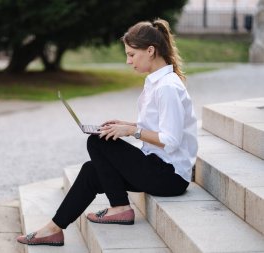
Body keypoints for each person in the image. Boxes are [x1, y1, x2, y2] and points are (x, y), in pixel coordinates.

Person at [17, 18, 198, 246]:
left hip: (170, 176)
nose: (128, 61)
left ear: (150, 51)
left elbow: (171, 140)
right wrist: (124, 125)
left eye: (132, 54)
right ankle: (54, 229)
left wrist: (131, 130)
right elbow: (159, 127)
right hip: (157, 166)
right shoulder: (156, 83)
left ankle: (120, 207)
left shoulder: (168, 87)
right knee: (91, 170)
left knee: (98, 143)